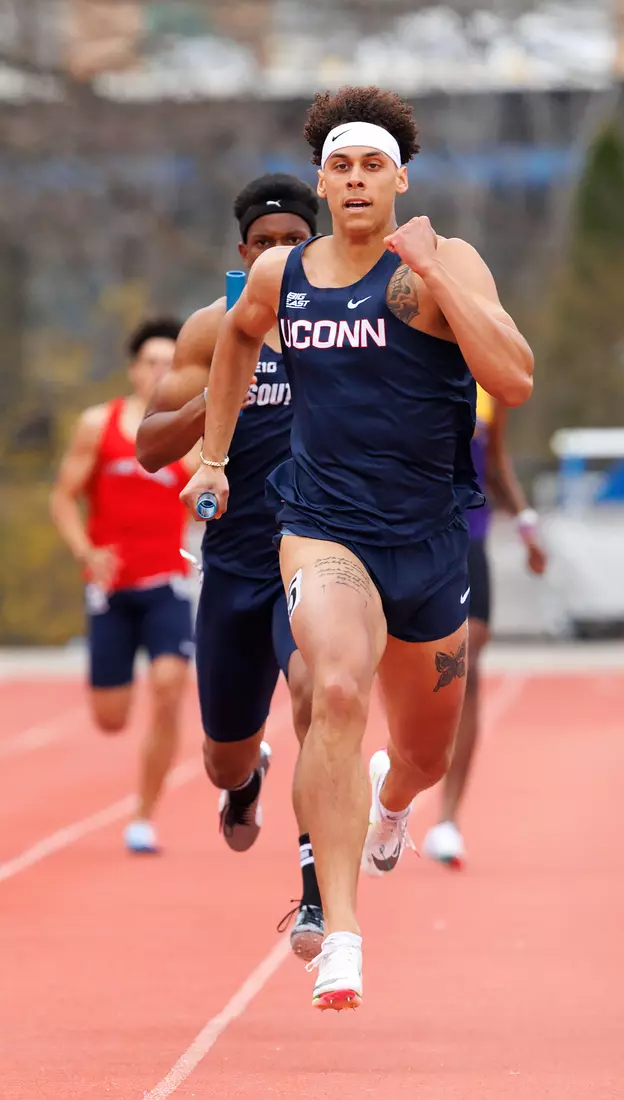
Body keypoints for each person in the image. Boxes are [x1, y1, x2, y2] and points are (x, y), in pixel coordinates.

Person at [181, 85, 534, 1011]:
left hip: (427, 541)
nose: (354, 180)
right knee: (333, 686)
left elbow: (515, 379)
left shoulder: (439, 264)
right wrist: (213, 456)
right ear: (321, 182)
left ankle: (392, 801)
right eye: (338, 166)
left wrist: (441, 275)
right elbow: (233, 345)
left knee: (422, 751)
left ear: (399, 178)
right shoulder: (281, 278)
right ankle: (339, 930)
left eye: (372, 165)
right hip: (321, 529)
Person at [136, 174, 324, 962]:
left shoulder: (345, 323)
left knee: (323, 691)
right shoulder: (212, 329)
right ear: (242, 254)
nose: (280, 256)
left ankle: (318, 891)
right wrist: (218, 397)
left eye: (294, 244)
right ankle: (245, 782)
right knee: (223, 756)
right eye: (265, 246)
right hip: (235, 565)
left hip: (318, 552)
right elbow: (150, 448)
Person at [50, 318, 195, 855]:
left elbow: (208, 500)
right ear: (134, 368)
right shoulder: (98, 424)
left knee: (168, 685)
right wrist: (86, 552)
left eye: (170, 361)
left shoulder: (192, 431)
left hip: (167, 584)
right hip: (110, 588)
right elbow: (63, 496)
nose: (160, 370)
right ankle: (120, 684)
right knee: (110, 719)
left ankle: (143, 815)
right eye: (151, 361)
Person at [423, 386, 547, 868]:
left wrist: (528, 528)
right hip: (413, 536)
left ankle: (448, 820)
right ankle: (395, 784)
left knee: (469, 663)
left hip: (469, 538)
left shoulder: (488, 386)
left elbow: (496, 465)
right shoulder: (407, 356)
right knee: (407, 669)